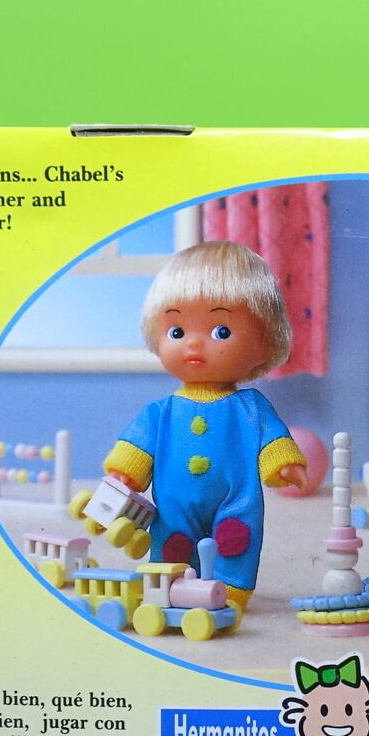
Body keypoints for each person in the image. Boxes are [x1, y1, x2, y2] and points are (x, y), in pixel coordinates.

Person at [102, 241, 309, 609]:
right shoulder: (161, 412)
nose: (194, 345)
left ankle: (231, 587)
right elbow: (136, 447)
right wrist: (125, 474)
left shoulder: (250, 407)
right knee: (172, 540)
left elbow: (271, 439)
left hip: (236, 498)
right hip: (174, 503)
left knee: (236, 536)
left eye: (221, 332)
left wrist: (282, 462)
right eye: (177, 332)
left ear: (264, 343)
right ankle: (170, 582)